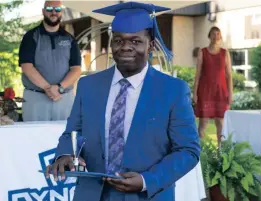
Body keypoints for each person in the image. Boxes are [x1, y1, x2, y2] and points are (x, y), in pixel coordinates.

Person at [46, 2, 200, 201]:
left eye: (135, 41)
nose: (125, 47)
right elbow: (72, 133)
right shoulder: (88, 86)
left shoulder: (173, 91)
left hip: (146, 195)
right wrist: (64, 155)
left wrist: (147, 180)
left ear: (151, 45)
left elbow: (188, 150)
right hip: (93, 194)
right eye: (118, 40)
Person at [18, 0, 81, 121]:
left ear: (61, 12)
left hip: (64, 98)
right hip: (36, 98)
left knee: (65, 137)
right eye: (49, 9)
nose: (53, 12)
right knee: (33, 138)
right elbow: (27, 67)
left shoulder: (70, 39)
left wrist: (59, 88)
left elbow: (76, 69)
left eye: (57, 9)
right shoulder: (31, 36)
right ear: (43, 11)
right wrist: (49, 88)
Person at [193, 26, 233, 145]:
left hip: (221, 92)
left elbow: (229, 75)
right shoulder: (202, 52)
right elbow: (198, 74)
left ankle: (220, 154)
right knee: (203, 123)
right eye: (213, 34)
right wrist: (194, 93)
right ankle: (199, 155)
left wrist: (231, 93)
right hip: (205, 91)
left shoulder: (225, 53)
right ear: (209, 36)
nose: (216, 36)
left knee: (220, 123)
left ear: (220, 37)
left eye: (218, 34)